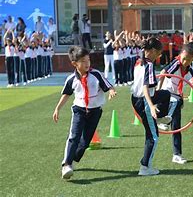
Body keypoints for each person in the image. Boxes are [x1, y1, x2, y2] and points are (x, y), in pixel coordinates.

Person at [52, 46, 117, 179]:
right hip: (79, 110)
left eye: (88, 60)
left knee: (85, 141)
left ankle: (73, 157)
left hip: (95, 111)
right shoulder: (71, 79)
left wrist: (111, 91)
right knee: (74, 136)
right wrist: (57, 108)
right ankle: (66, 164)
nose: (87, 63)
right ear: (75, 64)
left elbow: (108, 86)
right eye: (83, 61)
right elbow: (66, 94)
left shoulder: (96, 74)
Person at [131, 37, 171, 176]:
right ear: (153, 51)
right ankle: (145, 167)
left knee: (165, 94)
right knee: (153, 136)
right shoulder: (148, 65)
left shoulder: (139, 62)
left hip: (137, 99)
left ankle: (159, 119)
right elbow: (145, 88)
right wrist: (152, 106)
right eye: (159, 53)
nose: (159, 56)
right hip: (144, 100)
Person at [157, 43, 193, 164]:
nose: (185, 61)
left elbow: (185, 84)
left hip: (175, 98)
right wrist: (158, 92)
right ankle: (164, 119)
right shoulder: (176, 64)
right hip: (165, 95)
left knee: (177, 127)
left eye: (188, 60)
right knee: (177, 101)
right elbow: (163, 72)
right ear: (180, 55)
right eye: (184, 58)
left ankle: (177, 154)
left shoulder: (190, 72)